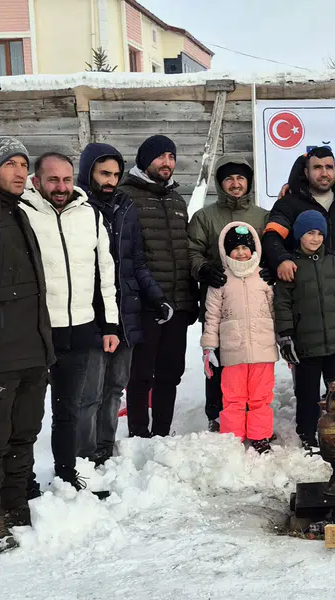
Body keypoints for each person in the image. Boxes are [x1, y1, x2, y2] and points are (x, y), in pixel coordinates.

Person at [20, 152, 118, 495]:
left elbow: (105, 270)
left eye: (66, 179)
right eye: (52, 180)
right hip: (35, 331)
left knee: (69, 411)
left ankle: (65, 477)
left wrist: (110, 324)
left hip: (79, 329)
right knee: (27, 417)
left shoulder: (88, 213)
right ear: (37, 181)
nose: (61, 187)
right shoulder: (23, 214)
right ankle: (23, 485)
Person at [76, 143, 168, 465]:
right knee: (91, 392)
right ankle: (85, 454)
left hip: (126, 310)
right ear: (89, 172)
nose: (111, 180)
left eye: (116, 174)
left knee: (116, 386)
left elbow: (137, 262)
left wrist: (155, 296)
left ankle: (105, 445)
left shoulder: (125, 207)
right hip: (92, 312)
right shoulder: (78, 208)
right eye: (104, 173)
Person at [0, 138, 55, 553]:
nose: (19, 172)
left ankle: (15, 505)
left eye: (23, 164)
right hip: (1, 353)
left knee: (25, 433)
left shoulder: (21, 214)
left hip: (33, 348)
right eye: (9, 164)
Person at [119, 135, 197, 438]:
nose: (167, 163)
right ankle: (138, 434)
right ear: (144, 160)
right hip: (144, 304)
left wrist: (190, 299)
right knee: (140, 374)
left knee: (170, 373)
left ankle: (163, 433)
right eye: (160, 156)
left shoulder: (177, 200)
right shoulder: (126, 195)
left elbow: (183, 249)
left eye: (171, 157)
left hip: (177, 303)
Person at [189, 156, 269, 433]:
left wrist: (269, 270)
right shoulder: (205, 217)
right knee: (219, 359)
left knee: (253, 361)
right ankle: (218, 411)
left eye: (241, 179)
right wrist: (204, 269)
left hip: (254, 303)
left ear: (248, 183)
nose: (235, 184)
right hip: (221, 302)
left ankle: (253, 412)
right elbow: (192, 251)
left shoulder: (261, 216)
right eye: (229, 179)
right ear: (221, 184)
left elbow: (272, 248)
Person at [273, 211, 335, 450]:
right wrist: (285, 337)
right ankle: (307, 434)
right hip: (306, 345)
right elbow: (282, 304)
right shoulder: (290, 266)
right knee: (307, 393)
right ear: (299, 234)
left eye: (320, 233)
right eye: (310, 233)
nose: (315, 238)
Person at [201, 222, 277, 452]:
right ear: (226, 251)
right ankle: (232, 437)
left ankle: (260, 435)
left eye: (246, 248)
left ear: (254, 250)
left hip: (263, 349)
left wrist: (282, 339)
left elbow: (276, 312)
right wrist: (209, 347)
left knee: (261, 396)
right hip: (233, 350)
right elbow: (211, 316)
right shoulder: (220, 282)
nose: (242, 253)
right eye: (236, 249)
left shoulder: (264, 279)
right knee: (233, 396)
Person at [263, 146, 335, 280]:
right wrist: (281, 259)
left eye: (329, 167)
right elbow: (272, 235)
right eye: (317, 167)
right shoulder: (289, 202)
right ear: (306, 172)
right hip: (302, 286)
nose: (324, 173)